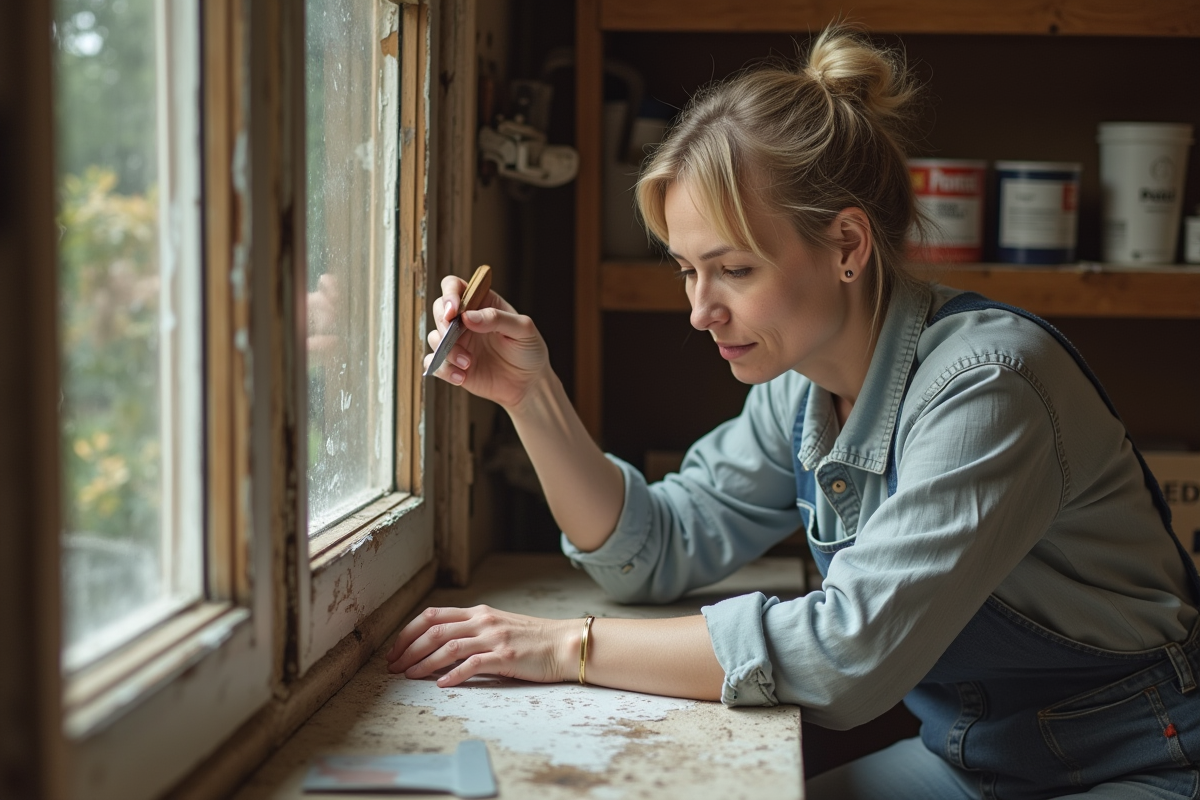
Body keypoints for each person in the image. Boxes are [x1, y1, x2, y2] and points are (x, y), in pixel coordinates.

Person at [386, 26, 1200, 799]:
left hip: (1136, 761)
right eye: (683, 270)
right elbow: (655, 550)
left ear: (848, 246)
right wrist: (532, 397)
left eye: (732, 268)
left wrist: (566, 647)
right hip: (980, 760)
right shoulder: (800, 383)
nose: (699, 311)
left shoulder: (988, 389)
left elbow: (845, 658)